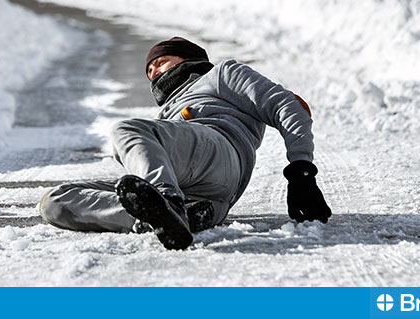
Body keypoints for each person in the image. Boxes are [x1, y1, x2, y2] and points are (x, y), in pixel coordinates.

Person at [39, 36, 332, 250]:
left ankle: (167, 202)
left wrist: (301, 172)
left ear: (188, 58)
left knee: (126, 130)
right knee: (55, 201)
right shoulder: (165, 113)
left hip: (220, 151)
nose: (153, 71)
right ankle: (165, 218)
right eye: (149, 70)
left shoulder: (221, 75)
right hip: (205, 194)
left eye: (160, 61)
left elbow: (288, 106)